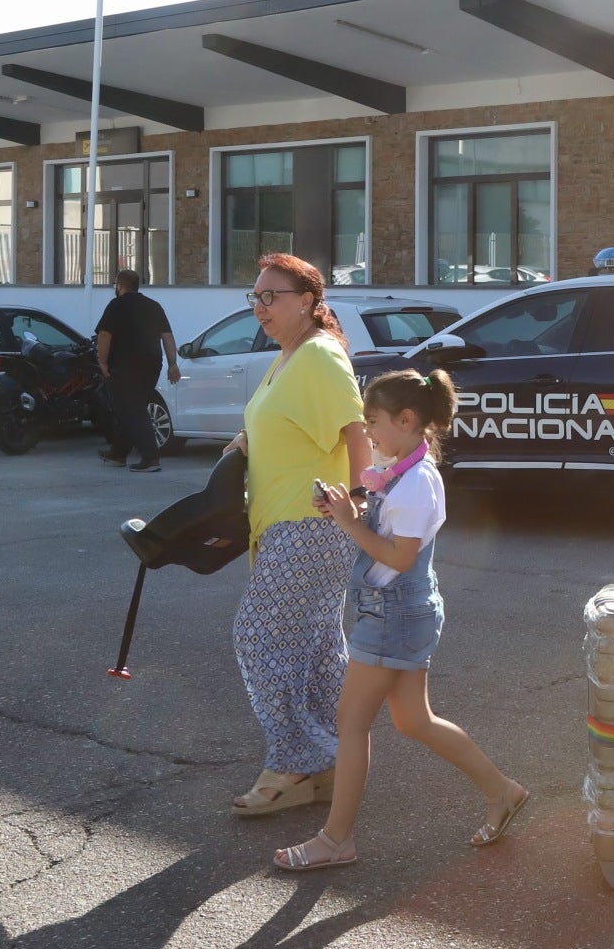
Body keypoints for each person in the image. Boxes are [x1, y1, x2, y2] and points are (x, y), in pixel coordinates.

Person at [272, 369, 530, 870]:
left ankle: (335, 840)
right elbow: (391, 539)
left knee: (351, 723)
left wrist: (348, 521)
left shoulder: (416, 482)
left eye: (373, 422)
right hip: (399, 613)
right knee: (414, 720)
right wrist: (350, 509)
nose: (368, 433)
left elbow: (401, 557)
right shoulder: (407, 472)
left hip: (394, 615)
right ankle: (503, 791)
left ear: (407, 419)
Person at [225, 253, 370, 818]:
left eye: (271, 296)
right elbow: (274, 419)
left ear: (307, 301)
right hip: (284, 523)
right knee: (314, 651)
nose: (259, 307)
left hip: (311, 525)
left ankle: (293, 761)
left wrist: (357, 503)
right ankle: (330, 763)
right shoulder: (286, 357)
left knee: (259, 639)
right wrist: (243, 442)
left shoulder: (318, 356)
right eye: (254, 297)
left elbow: (357, 433)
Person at [95, 268, 180, 472]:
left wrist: (103, 363)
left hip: (123, 367)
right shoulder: (154, 306)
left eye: (116, 284)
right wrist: (172, 364)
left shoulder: (116, 306)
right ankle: (118, 453)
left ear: (120, 285)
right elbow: (167, 336)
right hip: (151, 366)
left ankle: (151, 458)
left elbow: (104, 336)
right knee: (132, 407)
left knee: (132, 410)